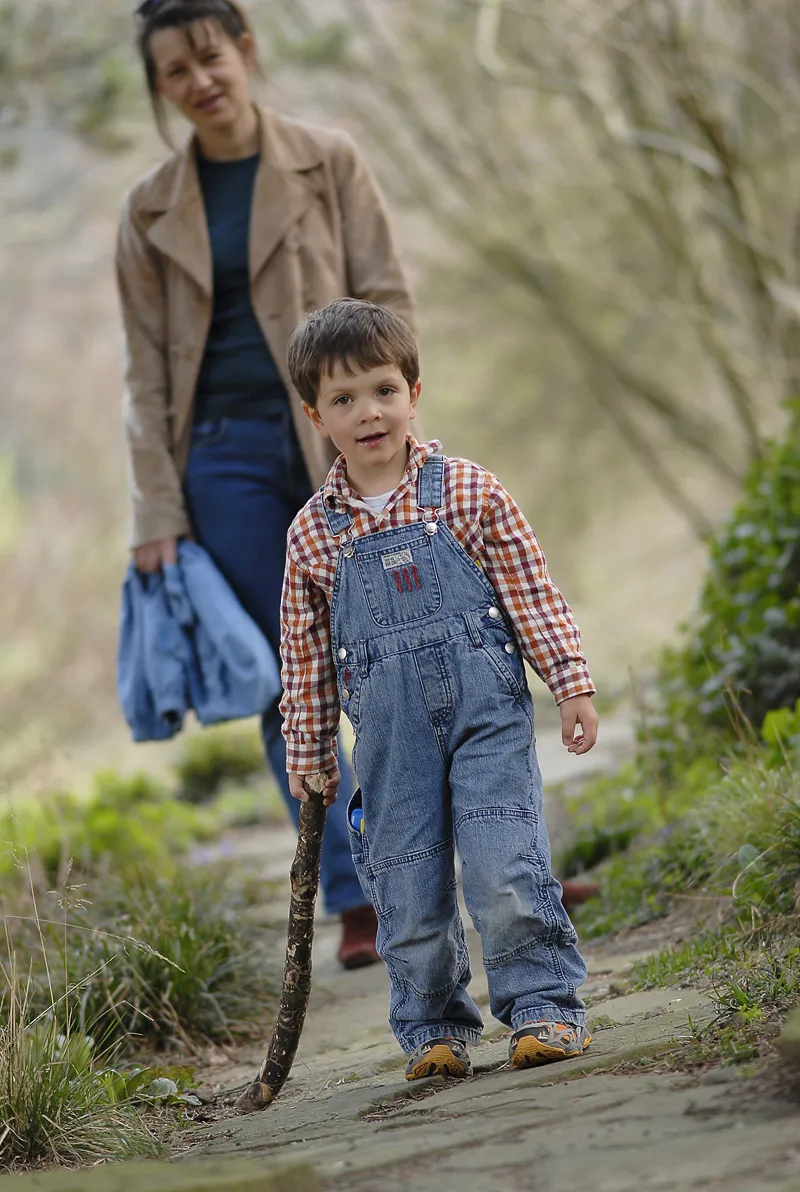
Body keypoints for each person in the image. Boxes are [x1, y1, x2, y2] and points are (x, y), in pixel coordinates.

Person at [115, 0, 415, 968]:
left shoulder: (327, 161)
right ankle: (355, 894)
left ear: (244, 52)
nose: (200, 81)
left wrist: (388, 420)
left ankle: (451, 859)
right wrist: (157, 508)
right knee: (290, 681)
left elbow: (387, 298)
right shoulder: (149, 211)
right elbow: (144, 374)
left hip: (342, 436)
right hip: (223, 456)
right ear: (160, 88)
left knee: (404, 646)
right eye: (176, 71)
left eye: (211, 57)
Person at [280, 298, 600, 1080]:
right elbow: (305, 660)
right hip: (389, 742)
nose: (368, 414)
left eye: (384, 390)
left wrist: (570, 684)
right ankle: (433, 1027)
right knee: (407, 880)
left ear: (414, 392)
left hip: (486, 714)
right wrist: (310, 751)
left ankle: (544, 1007)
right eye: (344, 399)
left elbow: (532, 594)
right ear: (315, 414)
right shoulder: (311, 537)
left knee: (505, 864)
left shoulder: (470, 493)